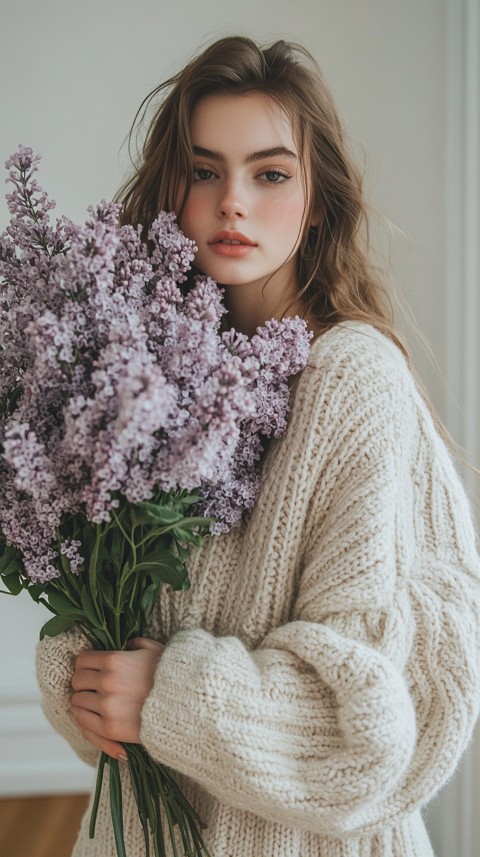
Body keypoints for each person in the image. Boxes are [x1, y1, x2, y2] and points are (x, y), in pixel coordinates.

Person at [36, 36, 480, 857]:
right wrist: (81, 676)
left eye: (270, 173)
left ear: (315, 200)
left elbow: (363, 728)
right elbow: (104, 636)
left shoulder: (351, 380)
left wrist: (169, 692)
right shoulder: (133, 371)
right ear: (173, 188)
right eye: (205, 170)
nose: (232, 200)